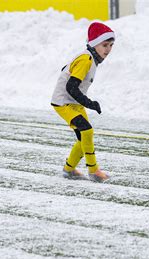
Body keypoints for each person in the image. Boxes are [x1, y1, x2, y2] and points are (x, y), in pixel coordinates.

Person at [50, 22, 115, 182]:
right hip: (63, 102)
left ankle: (69, 169)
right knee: (87, 131)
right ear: (94, 44)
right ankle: (93, 171)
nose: (108, 49)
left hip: (74, 103)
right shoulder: (86, 59)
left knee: (83, 137)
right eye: (105, 44)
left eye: (111, 45)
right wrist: (90, 103)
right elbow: (71, 87)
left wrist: (86, 103)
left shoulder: (91, 59)